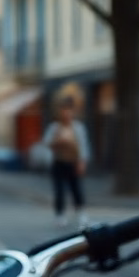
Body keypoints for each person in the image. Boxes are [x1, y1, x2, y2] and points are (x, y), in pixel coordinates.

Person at [43, 95, 91, 227]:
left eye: (68, 111)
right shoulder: (55, 127)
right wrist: (58, 142)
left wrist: (82, 162)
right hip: (59, 161)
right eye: (63, 110)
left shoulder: (78, 128)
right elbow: (47, 142)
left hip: (73, 161)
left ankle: (81, 212)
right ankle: (60, 214)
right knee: (59, 190)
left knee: (76, 188)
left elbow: (83, 145)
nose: (66, 114)